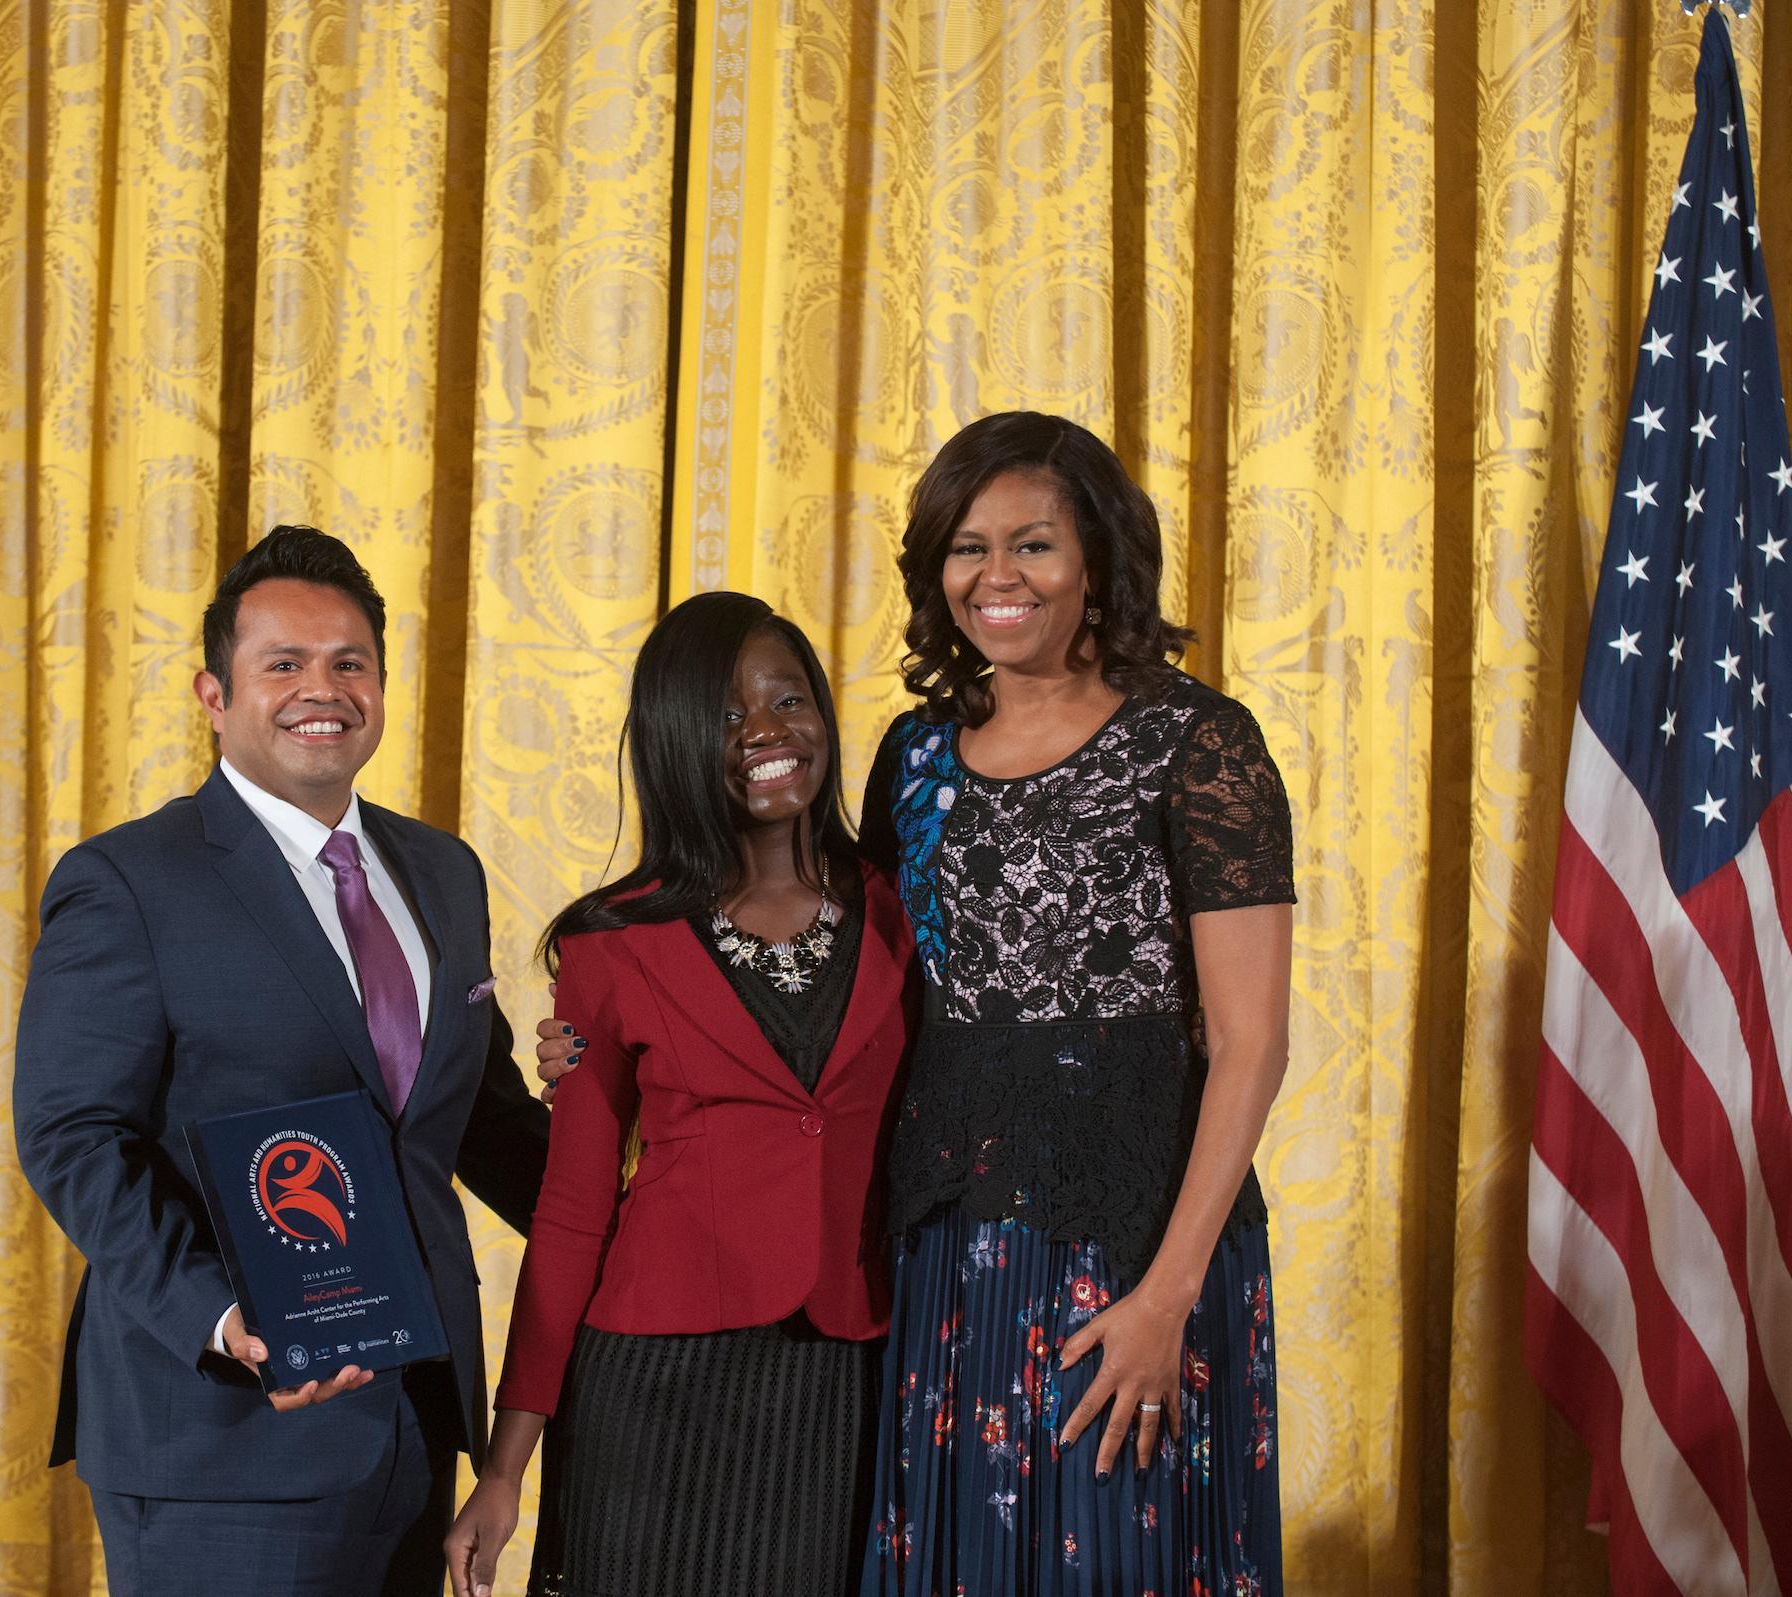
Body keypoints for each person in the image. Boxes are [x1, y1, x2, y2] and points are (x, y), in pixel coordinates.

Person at [538, 413, 1296, 1594]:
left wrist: (1169, 1292)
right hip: (945, 1263)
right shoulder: (918, 756)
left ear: (1097, 554)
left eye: (1033, 544)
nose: (998, 576)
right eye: (967, 547)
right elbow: (839, 961)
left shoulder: (1198, 743)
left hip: (1137, 1248)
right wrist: (592, 1039)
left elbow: (1250, 1042)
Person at [13, 527, 550, 1597]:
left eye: (350, 661)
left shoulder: (443, 873)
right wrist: (220, 1316)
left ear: (384, 684)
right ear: (215, 693)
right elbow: (71, 1135)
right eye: (285, 664)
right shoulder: (129, 880)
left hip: (412, 1424)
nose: (324, 689)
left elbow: (478, 1120)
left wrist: (649, 1200)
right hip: (222, 1438)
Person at [445, 593, 919, 1597]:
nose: (766, 732)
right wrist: (504, 1466)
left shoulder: (897, 908)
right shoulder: (612, 942)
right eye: (725, 717)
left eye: (789, 698)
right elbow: (573, 1212)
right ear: (671, 745)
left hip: (843, 1375)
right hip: (653, 1396)